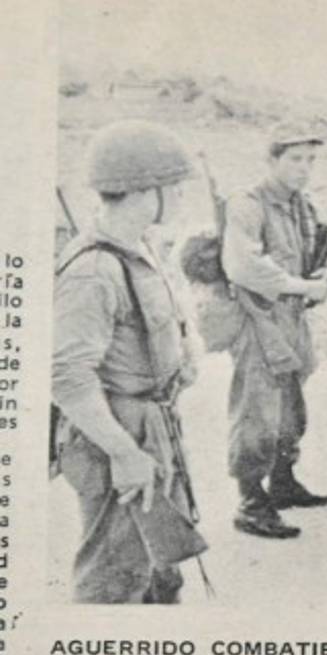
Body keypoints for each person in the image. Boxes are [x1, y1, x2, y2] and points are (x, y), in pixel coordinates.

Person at [52, 120, 207, 603]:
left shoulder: (140, 248)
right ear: (144, 192)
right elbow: (67, 375)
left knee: (162, 563)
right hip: (118, 434)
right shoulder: (95, 270)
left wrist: (185, 353)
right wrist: (124, 453)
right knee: (114, 578)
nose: (181, 198)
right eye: (173, 188)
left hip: (152, 425)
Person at [222, 123, 327, 539]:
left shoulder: (301, 206)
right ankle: (251, 502)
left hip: (291, 318)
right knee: (257, 410)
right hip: (258, 318)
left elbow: (317, 253)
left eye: (311, 160)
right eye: (295, 159)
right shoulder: (248, 203)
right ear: (271, 160)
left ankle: (283, 481)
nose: (305, 168)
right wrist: (303, 286)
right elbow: (243, 266)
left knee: (291, 407)